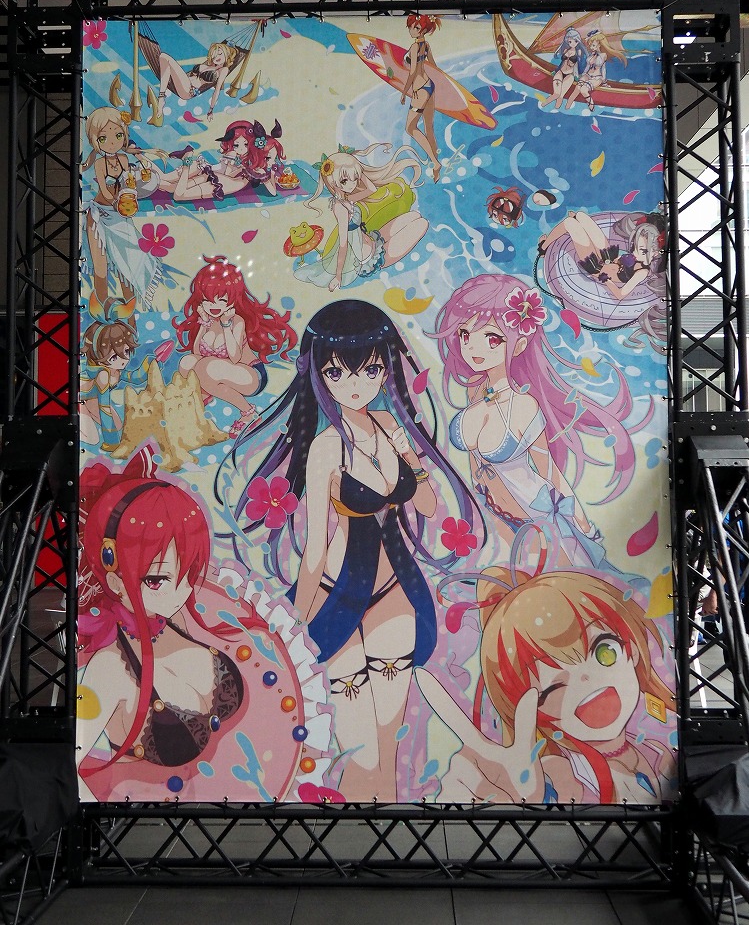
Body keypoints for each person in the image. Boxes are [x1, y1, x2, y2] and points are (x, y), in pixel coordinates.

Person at [229, 300, 482, 800]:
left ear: (385, 368)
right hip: (338, 597)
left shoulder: (389, 426)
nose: (356, 384)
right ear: (319, 376)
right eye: (336, 372)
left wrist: (410, 457)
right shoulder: (326, 448)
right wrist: (295, 625)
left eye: (369, 369)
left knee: (387, 738)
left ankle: (384, 828)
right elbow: (315, 551)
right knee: (359, 747)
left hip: (394, 591)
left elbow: (428, 506)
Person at [76, 448, 310, 802]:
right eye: (156, 580)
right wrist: (100, 822)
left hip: (243, 811)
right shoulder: (109, 668)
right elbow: (64, 767)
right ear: (114, 579)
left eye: (189, 573)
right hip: (149, 829)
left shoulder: (176, 619)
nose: (179, 591)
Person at [432, 273, 650, 567]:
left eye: (492, 338)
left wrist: (584, 525)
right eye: (465, 335)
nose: (472, 347)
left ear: (519, 345)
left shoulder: (523, 406)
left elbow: (550, 473)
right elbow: (476, 464)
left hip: (532, 516)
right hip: (490, 515)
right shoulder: (477, 390)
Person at [417, 567, 676, 803]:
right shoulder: (561, 777)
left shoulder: (657, 753)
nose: (584, 680)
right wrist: (506, 798)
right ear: (534, 712)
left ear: (632, 647)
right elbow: (538, 790)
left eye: (603, 651)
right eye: (552, 688)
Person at [173, 255, 297, 437]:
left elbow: (234, 357)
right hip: (218, 371)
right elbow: (197, 353)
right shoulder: (207, 320)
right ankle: (203, 396)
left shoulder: (236, 321)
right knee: (187, 362)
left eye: (222, 300)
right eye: (208, 299)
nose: (214, 305)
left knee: (207, 366)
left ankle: (249, 413)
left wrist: (225, 326)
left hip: (250, 374)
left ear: (232, 299)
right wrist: (204, 324)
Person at [296, 143, 427, 292]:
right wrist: (338, 277)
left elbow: (371, 189)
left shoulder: (348, 199)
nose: (352, 184)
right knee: (422, 224)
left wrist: (357, 169)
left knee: (415, 216)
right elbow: (343, 244)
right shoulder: (340, 208)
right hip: (369, 259)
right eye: (344, 181)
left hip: (374, 240)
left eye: (355, 178)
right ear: (333, 183)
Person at [540, 209, 667, 352]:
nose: (635, 253)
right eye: (635, 247)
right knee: (581, 216)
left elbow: (620, 295)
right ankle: (574, 222)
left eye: (642, 251)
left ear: (655, 252)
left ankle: (543, 247)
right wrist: (614, 262)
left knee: (570, 223)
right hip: (608, 258)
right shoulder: (635, 257)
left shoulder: (642, 272)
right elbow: (619, 261)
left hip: (597, 268)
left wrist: (606, 279)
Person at [81, 106, 168, 309]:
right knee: (100, 266)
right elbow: (104, 190)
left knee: (128, 262)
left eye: (118, 135)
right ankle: (101, 309)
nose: (112, 142)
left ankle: (129, 311)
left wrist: (133, 190)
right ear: (95, 139)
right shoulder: (100, 163)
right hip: (99, 215)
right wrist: (117, 201)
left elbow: (127, 182)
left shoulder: (123, 159)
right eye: (104, 138)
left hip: (120, 214)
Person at [80, 296, 150, 450]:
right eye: (114, 356)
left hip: (92, 400)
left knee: (119, 426)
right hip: (79, 401)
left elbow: (135, 378)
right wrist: (111, 442)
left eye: (126, 351)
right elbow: (104, 407)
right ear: (99, 356)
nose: (124, 359)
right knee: (92, 438)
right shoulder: (103, 375)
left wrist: (149, 364)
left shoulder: (115, 371)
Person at [159, 119, 285, 203]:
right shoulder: (257, 168)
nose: (241, 149)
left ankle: (151, 172)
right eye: (268, 158)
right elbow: (273, 193)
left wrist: (270, 173)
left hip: (221, 178)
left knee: (172, 188)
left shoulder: (253, 165)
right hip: (226, 182)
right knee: (178, 195)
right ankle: (186, 160)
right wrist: (269, 176)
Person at [400, 14, 443, 181]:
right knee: (428, 128)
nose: (412, 30)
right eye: (411, 26)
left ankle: (435, 162)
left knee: (410, 128)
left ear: (423, 30)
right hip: (429, 86)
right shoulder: (426, 45)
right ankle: (436, 168)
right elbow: (433, 65)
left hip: (419, 90)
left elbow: (412, 73)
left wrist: (405, 92)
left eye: (416, 27)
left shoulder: (414, 47)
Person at [152, 40, 237, 123]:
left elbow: (217, 90)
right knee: (163, 57)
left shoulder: (223, 70)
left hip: (188, 90)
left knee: (164, 57)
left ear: (227, 54)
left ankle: (161, 98)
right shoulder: (209, 63)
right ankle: (161, 97)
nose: (216, 57)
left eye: (220, 54)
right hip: (183, 82)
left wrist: (211, 110)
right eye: (214, 55)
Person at [564, 30, 627, 112]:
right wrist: (582, 75)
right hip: (587, 75)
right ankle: (568, 105)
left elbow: (603, 69)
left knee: (583, 90)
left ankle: (591, 103)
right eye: (590, 45)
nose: (591, 47)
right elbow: (587, 67)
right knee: (577, 88)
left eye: (593, 45)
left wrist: (604, 82)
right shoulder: (592, 55)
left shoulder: (603, 55)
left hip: (597, 78)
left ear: (599, 45)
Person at [541, 28, 586, 109]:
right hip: (560, 72)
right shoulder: (565, 50)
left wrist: (580, 75)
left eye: (576, 41)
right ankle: (543, 105)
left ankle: (556, 109)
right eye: (570, 41)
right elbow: (561, 62)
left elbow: (581, 66)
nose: (573, 43)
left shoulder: (579, 52)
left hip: (570, 75)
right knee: (556, 94)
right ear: (567, 41)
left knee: (561, 96)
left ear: (578, 41)